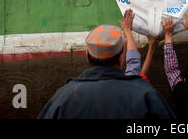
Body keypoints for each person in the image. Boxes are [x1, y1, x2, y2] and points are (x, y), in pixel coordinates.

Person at [37, 9, 176, 119]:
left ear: (87, 56)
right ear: (122, 58)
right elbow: (133, 62)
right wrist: (128, 30)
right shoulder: (145, 93)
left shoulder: (63, 96)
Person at [161, 17, 188, 119]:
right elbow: (171, 70)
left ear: (184, 80)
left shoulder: (181, 90)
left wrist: (168, 35)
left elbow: (171, 69)